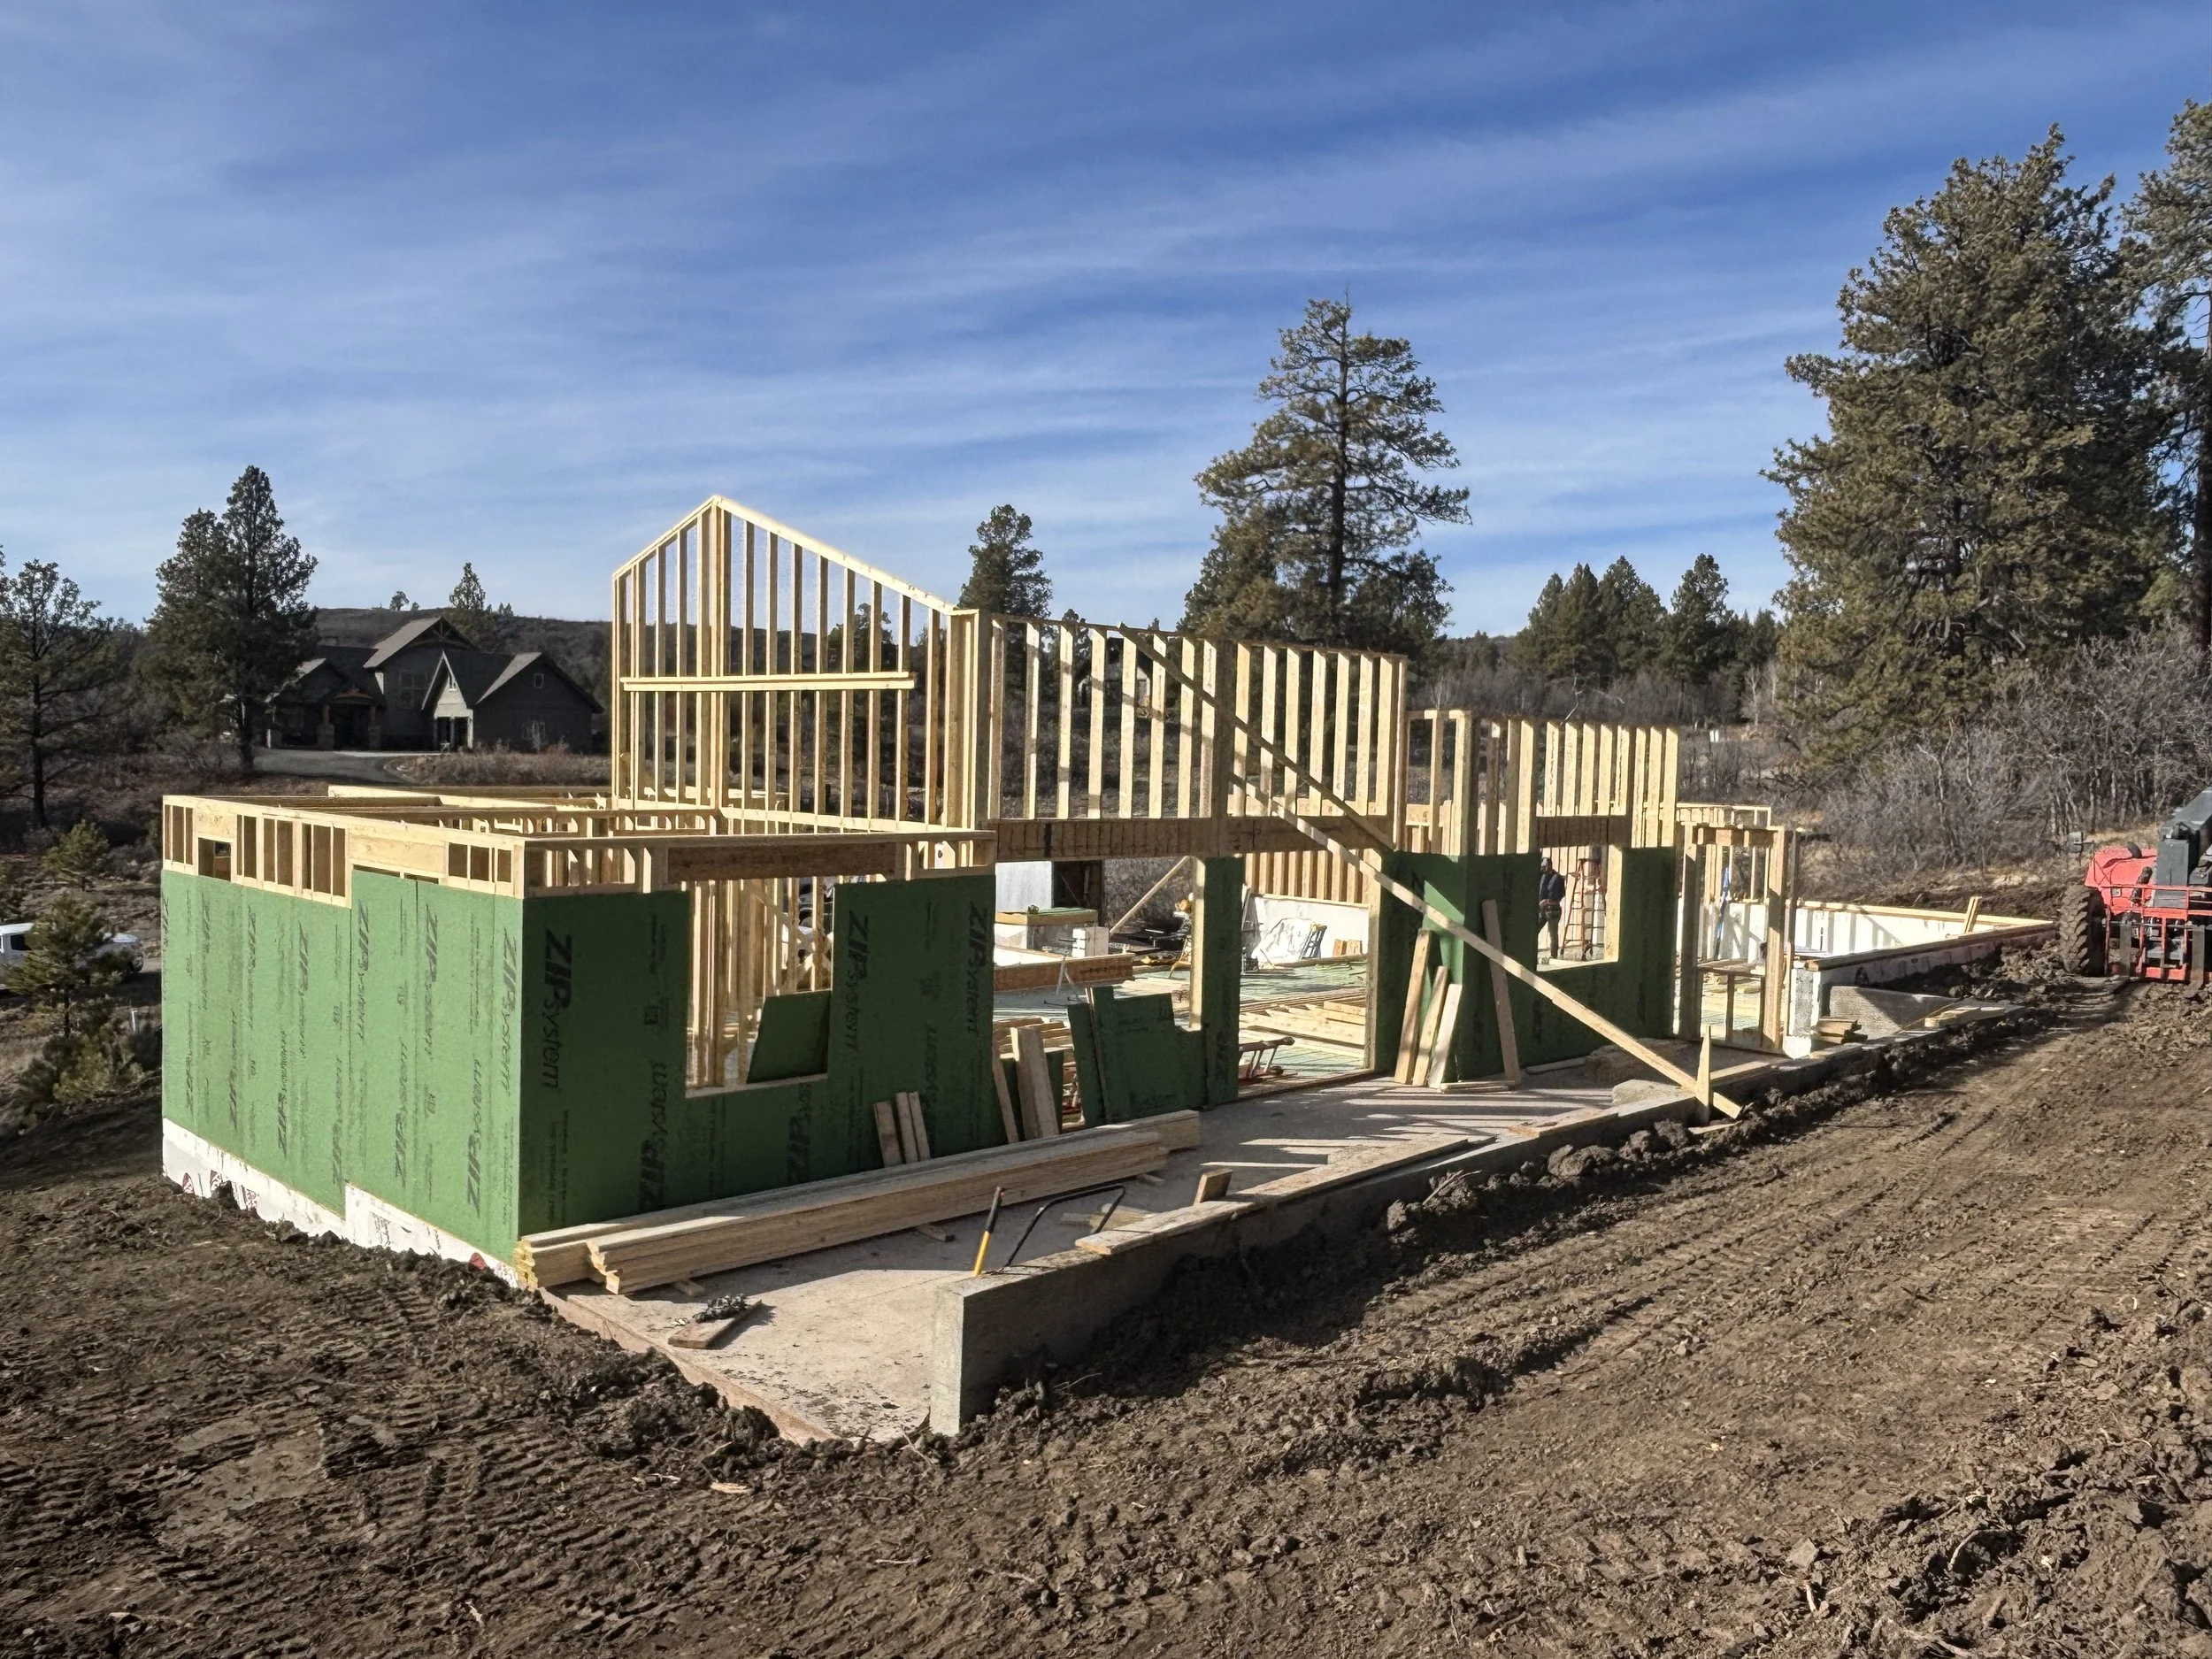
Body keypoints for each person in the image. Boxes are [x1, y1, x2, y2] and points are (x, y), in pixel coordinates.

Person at [1537, 856, 1566, 961]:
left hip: (1553, 910)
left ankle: (1553, 955)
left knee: (1553, 933)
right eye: (1541, 866)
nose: (1542, 869)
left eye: (1544, 866)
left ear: (1549, 866)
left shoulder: (1557, 878)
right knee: (1534, 929)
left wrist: (1547, 901)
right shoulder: (1542, 876)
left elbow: (1560, 896)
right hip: (1542, 910)